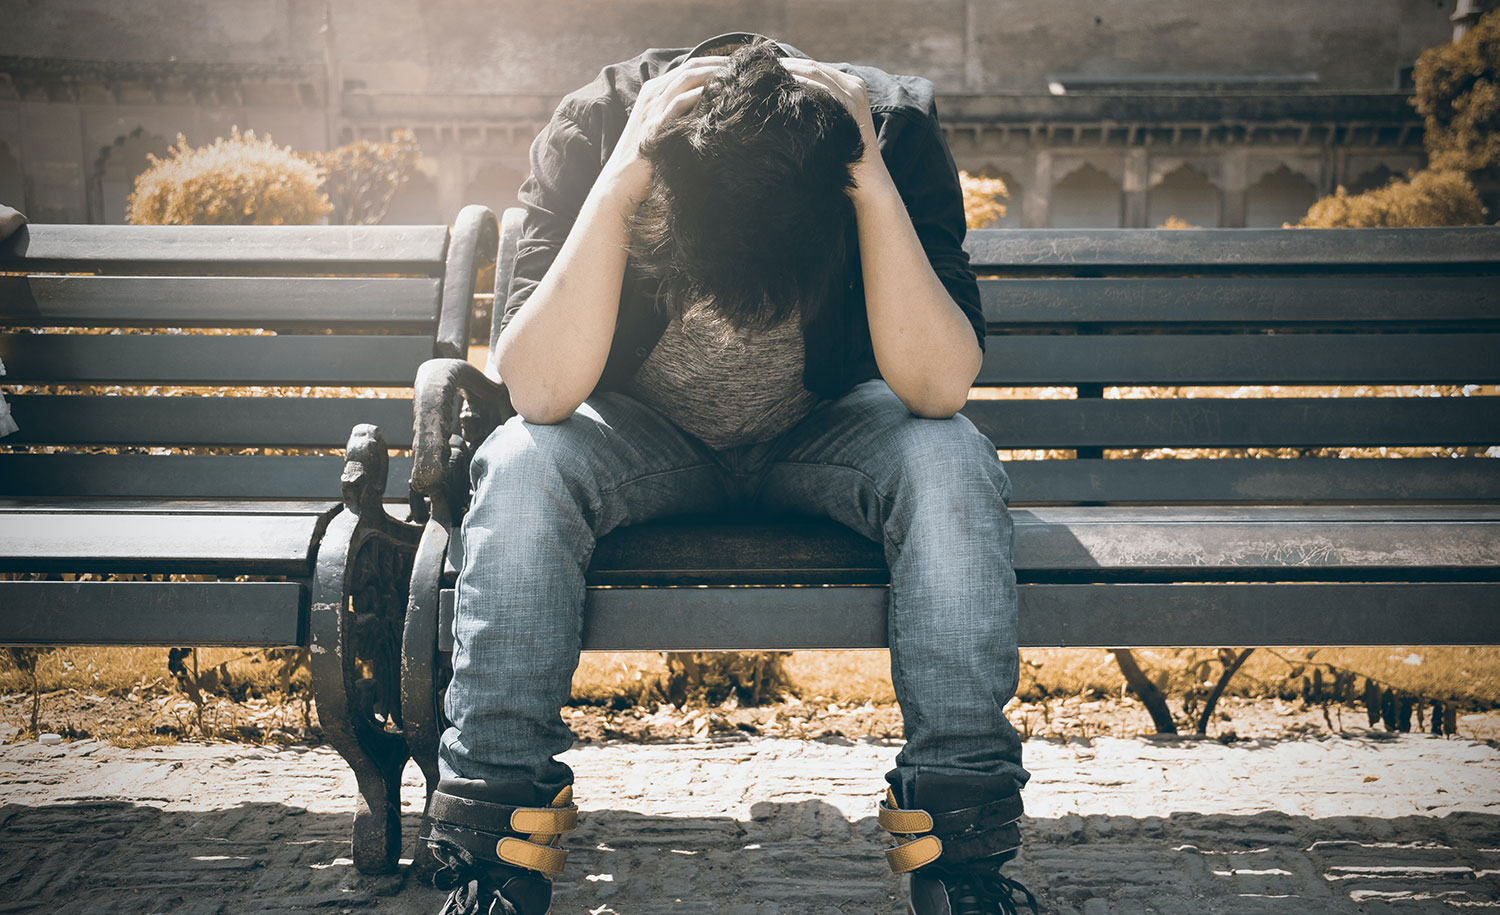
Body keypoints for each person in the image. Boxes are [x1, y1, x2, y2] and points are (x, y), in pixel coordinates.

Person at [421, 33, 1037, 915]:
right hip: (641, 435)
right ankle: (490, 855)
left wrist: (867, 180)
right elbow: (543, 391)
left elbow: (937, 387)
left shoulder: (890, 132)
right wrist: (623, 179)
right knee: (521, 462)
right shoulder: (598, 126)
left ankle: (963, 854)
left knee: (950, 457)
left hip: (826, 428)